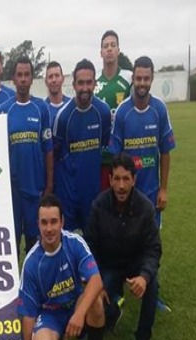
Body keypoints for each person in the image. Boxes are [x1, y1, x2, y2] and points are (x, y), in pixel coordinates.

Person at [18, 194, 107, 340]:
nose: (49, 228)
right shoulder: (32, 263)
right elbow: (29, 315)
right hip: (50, 314)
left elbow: (96, 280)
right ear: (38, 225)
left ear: (62, 222)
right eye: (44, 222)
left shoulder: (75, 243)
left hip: (76, 306)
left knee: (96, 301)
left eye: (54, 222)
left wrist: (79, 314)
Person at [84, 155, 161, 340]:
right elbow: (89, 246)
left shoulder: (145, 208)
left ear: (134, 180)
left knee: (152, 286)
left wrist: (144, 277)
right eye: (116, 179)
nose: (121, 185)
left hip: (135, 264)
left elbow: (154, 249)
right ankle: (111, 312)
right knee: (99, 300)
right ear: (109, 180)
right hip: (109, 265)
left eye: (126, 179)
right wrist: (95, 280)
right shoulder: (99, 205)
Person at [109, 55, 175, 227]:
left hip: (152, 194)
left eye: (146, 78)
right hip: (127, 194)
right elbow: (115, 157)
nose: (142, 83)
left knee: (151, 246)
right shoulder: (122, 112)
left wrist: (163, 189)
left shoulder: (159, 109)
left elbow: (166, 152)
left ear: (152, 79)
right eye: (138, 78)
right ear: (132, 79)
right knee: (127, 244)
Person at [0, 56, 53, 256]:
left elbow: (48, 149)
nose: (22, 79)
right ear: (13, 79)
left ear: (31, 78)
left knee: (34, 242)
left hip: (34, 188)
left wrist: (49, 185)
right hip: (11, 190)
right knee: (10, 243)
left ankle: (34, 281)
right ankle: (12, 285)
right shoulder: (4, 110)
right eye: (19, 75)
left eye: (26, 75)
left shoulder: (41, 108)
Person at [52, 59, 111, 233]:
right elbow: (54, 155)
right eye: (81, 83)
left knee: (93, 248)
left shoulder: (103, 112)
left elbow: (105, 146)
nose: (85, 88)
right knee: (68, 247)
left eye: (89, 82)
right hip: (67, 197)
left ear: (95, 83)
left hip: (93, 196)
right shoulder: (63, 117)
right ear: (74, 84)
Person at [95, 30, 132, 191]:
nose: (109, 49)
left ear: (118, 50)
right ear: (101, 52)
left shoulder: (129, 78)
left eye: (112, 45)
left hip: (122, 156)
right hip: (100, 157)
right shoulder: (94, 81)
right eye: (105, 46)